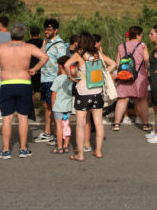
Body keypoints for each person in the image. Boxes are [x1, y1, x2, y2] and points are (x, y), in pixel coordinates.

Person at [0, 22, 49, 159]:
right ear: (23, 35)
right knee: (23, 117)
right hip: (24, 83)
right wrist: (35, 69)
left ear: (11, 33)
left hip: (7, 83)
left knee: (7, 117)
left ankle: (6, 150)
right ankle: (23, 149)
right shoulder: (28, 47)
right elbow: (45, 57)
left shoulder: (2, 48)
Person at [62, 32, 117, 161]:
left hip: (83, 92)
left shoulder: (79, 55)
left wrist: (71, 76)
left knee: (80, 124)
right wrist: (104, 73)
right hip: (97, 91)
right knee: (98, 123)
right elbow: (113, 64)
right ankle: (97, 151)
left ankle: (80, 154)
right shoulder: (98, 54)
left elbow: (66, 65)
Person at [34, 18, 68, 144]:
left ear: (56, 30)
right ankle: (48, 132)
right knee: (47, 107)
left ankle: (56, 133)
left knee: (54, 107)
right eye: (45, 29)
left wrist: (59, 80)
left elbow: (62, 63)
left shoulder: (59, 44)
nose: (46, 31)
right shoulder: (48, 42)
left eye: (49, 29)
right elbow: (40, 54)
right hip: (45, 78)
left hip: (53, 80)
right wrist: (44, 42)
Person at [112, 26, 150, 132]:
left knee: (122, 100)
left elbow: (117, 62)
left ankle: (116, 123)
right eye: (141, 35)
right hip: (139, 75)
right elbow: (146, 60)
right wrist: (147, 70)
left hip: (124, 75)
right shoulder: (142, 46)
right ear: (138, 35)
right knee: (142, 100)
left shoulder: (121, 46)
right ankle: (145, 124)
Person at [50, 56, 73, 154]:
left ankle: (59, 147)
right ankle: (66, 146)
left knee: (59, 126)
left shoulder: (58, 79)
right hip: (68, 107)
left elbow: (53, 94)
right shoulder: (71, 79)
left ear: (60, 66)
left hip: (58, 107)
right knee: (67, 125)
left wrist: (52, 106)